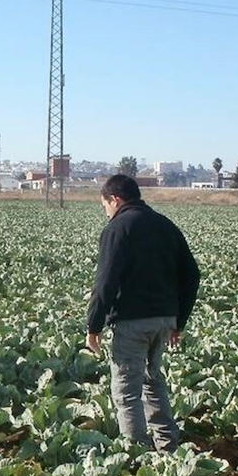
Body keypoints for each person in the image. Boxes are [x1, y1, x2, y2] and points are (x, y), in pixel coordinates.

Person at [86, 174, 200, 452]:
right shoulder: (166, 225)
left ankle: (137, 455)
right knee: (153, 381)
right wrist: (178, 321)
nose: (107, 212)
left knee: (126, 392)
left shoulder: (117, 229)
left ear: (115, 199)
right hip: (164, 320)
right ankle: (167, 445)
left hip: (132, 322)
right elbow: (192, 274)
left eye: (105, 206)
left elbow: (106, 281)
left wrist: (94, 325)